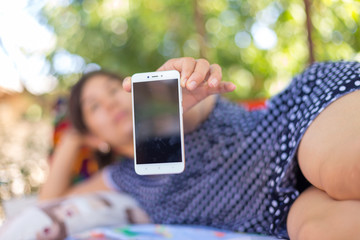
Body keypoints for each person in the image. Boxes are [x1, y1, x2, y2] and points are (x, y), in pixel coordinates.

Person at [39, 57, 360, 239]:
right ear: (94, 137)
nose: (109, 102)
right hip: (282, 213)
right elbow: (47, 204)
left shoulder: (181, 109)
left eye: (112, 89)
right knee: (326, 232)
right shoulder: (120, 178)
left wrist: (184, 94)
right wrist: (71, 136)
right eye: (93, 107)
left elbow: (191, 110)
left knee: (343, 170)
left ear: (132, 88)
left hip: (295, 125)